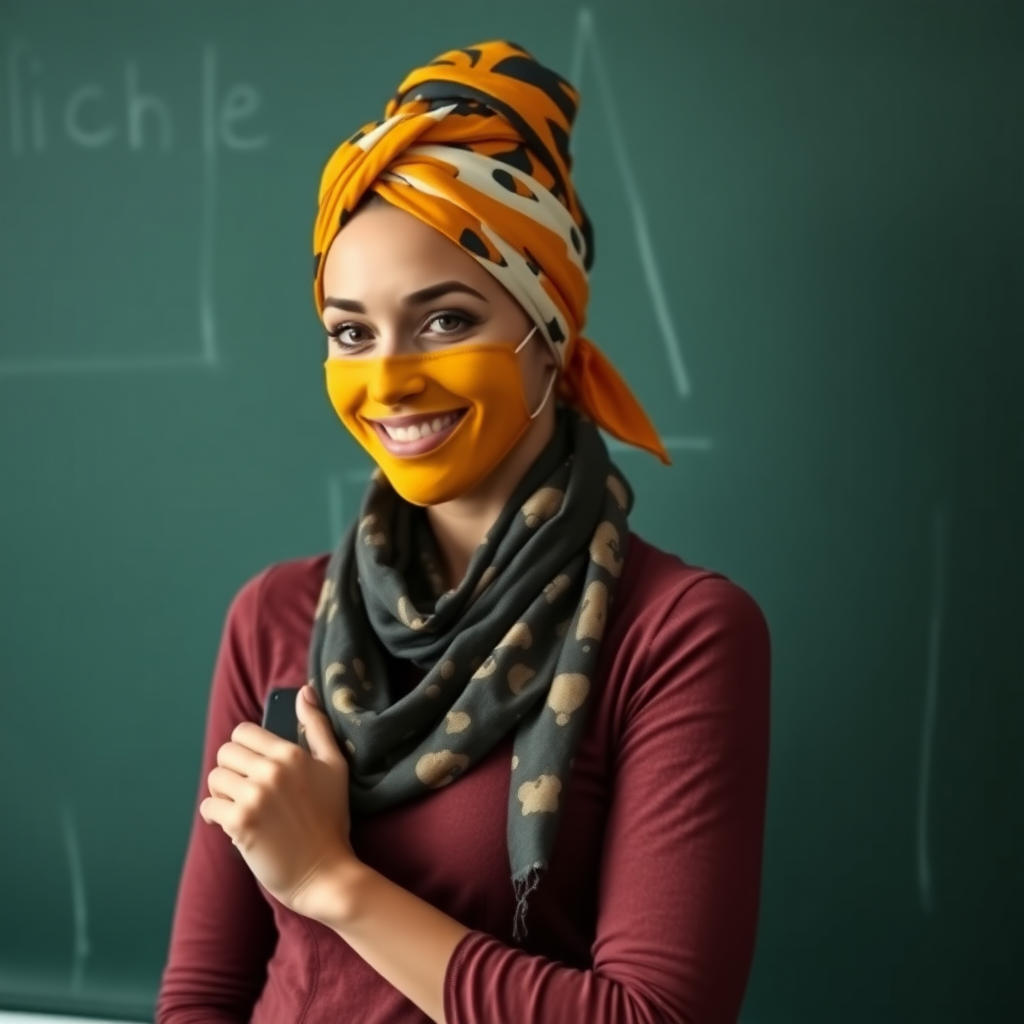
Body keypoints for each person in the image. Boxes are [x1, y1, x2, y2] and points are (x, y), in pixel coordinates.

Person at [155, 40, 771, 1024]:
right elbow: (203, 993)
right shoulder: (271, 617)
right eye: (351, 332)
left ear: (548, 328)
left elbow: (652, 1016)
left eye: (443, 321)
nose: (388, 377)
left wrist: (330, 880)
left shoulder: (678, 634)